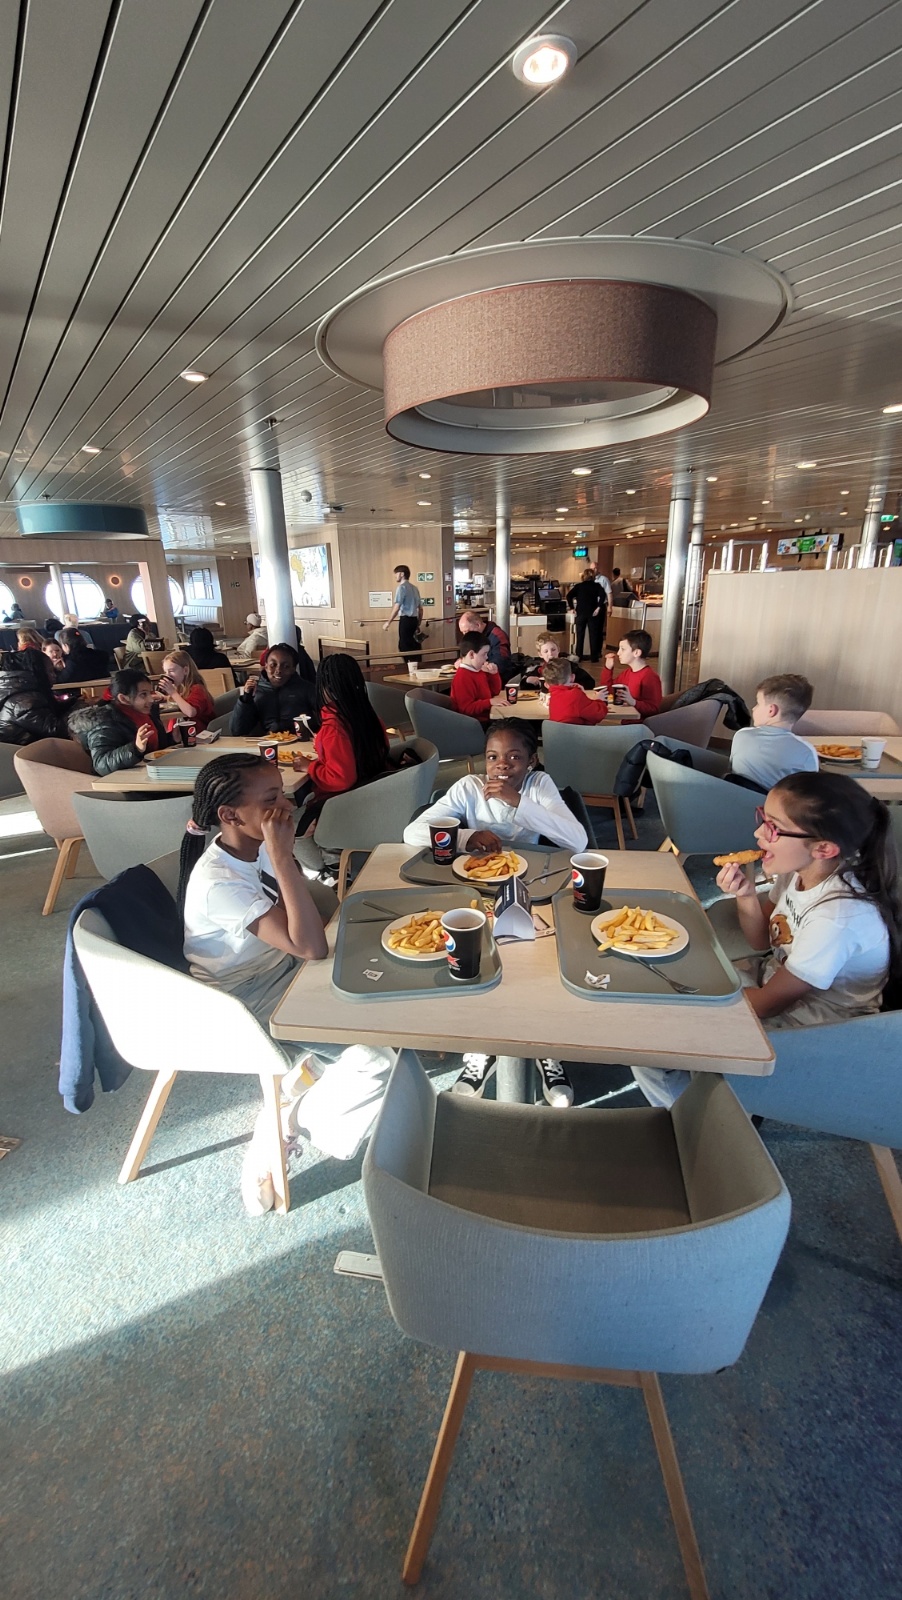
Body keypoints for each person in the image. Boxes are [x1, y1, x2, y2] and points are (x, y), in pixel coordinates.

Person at [178, 753, 392, 1212]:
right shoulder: (221, 882)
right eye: (271, 799)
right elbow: (310, 946)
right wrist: (281, 853)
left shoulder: (249, 846)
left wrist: (280, 856)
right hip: (244, 995)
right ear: (230, 815)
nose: (287, 806)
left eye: (283, 794)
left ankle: (302, 1077)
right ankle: (288, 1121)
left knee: (388, 1000)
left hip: (281, 966)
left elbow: (301, 923)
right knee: (377, 1062)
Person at [632, 772, 902, 1108]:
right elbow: (762, 940)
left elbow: (769, 1004)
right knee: (667, 994)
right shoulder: (798, 872)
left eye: (773, 827)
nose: (758, 833)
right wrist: (746, 894)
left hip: (818, 1030)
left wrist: (694, 1002)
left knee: (651, 1042)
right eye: (762, 817)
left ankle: (703, 1119)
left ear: (823, 848)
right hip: (774, 981)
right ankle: (709, 1096)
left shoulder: (837, 918)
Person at [405, 722, 587, 1107]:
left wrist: (518, 802)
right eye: (493, 757)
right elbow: (413, 833)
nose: (502, 765)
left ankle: (546, 1046)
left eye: (514, 757)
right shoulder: (469, 787)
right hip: (474, 890)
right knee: (478, 962)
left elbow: (577, 840)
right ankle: (482, 1046)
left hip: (533, 887)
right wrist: (466, 837)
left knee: (538, 964)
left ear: (531, 761)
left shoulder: (538, 785)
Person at [292, 653, 390, 803]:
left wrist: (310, 766)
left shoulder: (334, 727)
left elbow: (342, 779)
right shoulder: (369, 716)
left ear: (326, 688)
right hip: (373, 793)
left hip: (342, 804)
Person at [69, 669, 172, 775]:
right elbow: (101, 764)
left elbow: (154, 750)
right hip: (125, 780)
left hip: (151, 773)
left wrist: (173, 737)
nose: (151, 699)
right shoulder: (104, 722)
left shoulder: (147, 712)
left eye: (150, 693)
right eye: (143, 695)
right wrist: (135, 748)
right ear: (123, 699)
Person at [728, 674, 818, 791]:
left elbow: (731, 768)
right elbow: (808, 793)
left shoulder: (741, 734)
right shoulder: (806, 751)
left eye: (758, 703)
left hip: (731, 794)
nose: (753, 708)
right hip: (768, 802)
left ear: (771, 710)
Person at [229, 642, 316, 735]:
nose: (278, 670)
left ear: (293, 669)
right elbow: (237, 731)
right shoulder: (256, 691)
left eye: (286, 666)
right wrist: (246, 699)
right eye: (273, 665)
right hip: (265, 741)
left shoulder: (307, 689)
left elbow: (321, 721)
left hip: (299, 740)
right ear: (266, 666)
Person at [0, 648, 68, 745]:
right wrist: (80, 711)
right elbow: (56, 730)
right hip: (24, 751)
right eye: (50, 671)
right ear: (38, 672)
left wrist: (72, 703)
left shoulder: (21, 694)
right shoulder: (23, 702)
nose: (54, 675)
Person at [600, 629, 662, 718]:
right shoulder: (627, 673)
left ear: (636, 653)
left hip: (641, 724)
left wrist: (633, 702)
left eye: (623, 649)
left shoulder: (650, 676)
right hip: (628, 721)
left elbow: (654, 709)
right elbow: (608, 691)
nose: (618, 653)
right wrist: (608, 669)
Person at [157, 648, 216, 733]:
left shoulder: (198, 689)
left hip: (198, 733)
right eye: (166, 672)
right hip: (185, 731)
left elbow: (190, 712)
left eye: (171, 671)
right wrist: (164, 698)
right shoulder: (181, 687)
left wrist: (173, 693)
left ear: (185, 670)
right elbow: (182, 701)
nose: (168, 675)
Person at [543, 655, 608, 724]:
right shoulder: (575, 695)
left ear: (547, 684)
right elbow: (598, 714)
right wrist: (600, 700)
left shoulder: (553, 696)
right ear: (572, 677)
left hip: (559, 731)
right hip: (578, 731)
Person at [450, 637, 499, 726]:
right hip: (474, 724)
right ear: (472, 654)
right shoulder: (463, 677)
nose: (487, 657)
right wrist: (489, 702)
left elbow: (495, 692)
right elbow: (466, 709)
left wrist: (493, 674)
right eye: (484, 654)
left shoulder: (478, 671)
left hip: (485, 719)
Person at [521, 631, 593, 690]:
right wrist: (528, 680)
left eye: (553, 650)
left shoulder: (569, 666)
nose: (550, 654)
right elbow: (523, 686)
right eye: (546, 651)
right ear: (540, 654)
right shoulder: (539, 670)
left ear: (558, 649)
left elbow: (590, 682)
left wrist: (573, 684)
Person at [382, 565, 422, 659]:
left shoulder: (401, 588)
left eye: (396, 574)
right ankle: (416, 665)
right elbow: (420, 608)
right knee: (414, 645)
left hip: (405, 620)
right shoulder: (415, 588)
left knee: (404, 646)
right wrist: (418, 622)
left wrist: (388, 622)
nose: (395, 576)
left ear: (402, 574)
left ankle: (408, 666)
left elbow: (397, 607)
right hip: (414, 620)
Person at [455, 608, 512, 673]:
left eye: (467, 631)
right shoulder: (473, 636)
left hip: (497, 676)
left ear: (478, 625)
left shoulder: (497, 635)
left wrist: (471, 665)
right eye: (463, 632)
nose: (465, 635)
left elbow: (501, 662)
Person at [567, 569, 606, 663]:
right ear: (593, 576)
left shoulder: (579, 586)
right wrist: (598, 607)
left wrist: (572, 608)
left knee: (580, 636)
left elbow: (569, 596)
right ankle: (594, 657)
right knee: (594, 635)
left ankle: (579, 656)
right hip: (593, 613)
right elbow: (603, 596)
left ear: (583, 576)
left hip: (580, 613)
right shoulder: (597, 586)